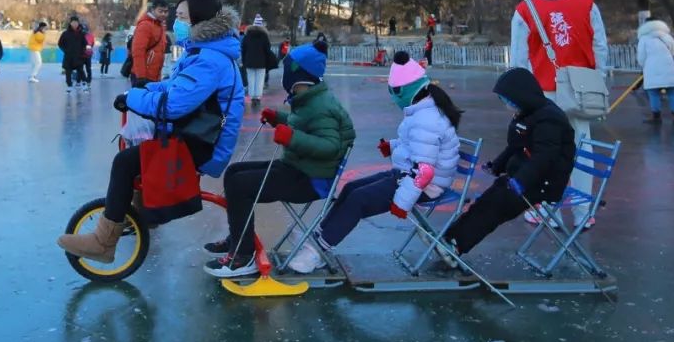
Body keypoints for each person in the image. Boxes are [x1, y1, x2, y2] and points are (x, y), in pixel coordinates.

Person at [57, 0, 244, 263]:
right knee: (137, 155)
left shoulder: (209, 60)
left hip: (204, 143)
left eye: (181, 17)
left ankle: (103, 242)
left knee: (125, 162)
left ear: (199, 21)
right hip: (195, 134)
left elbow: (174, 104)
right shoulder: (203, 53)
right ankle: (144, 213)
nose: (175, 22)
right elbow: (174, 86)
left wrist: (134, 98)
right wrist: (146, 88)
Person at [286, 51, 460, 274]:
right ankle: (320, 234)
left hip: (425, 186)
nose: (393, 97)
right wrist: (393, 146)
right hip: (409, 175)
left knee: (359, 199)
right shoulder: (422, 110)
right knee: (351, 188)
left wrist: (402, 203)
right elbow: (416, 146)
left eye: (394, 91)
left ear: (406, 89)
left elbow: (423, 171)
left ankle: (318, 250)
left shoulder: (427, 118)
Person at [201, 41, 354, 277]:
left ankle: (243, 255)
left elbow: (330, 146)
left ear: (297, 76)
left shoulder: (321, 106)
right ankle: (238, 237)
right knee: (234, 172)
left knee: (240, 186)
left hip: (311, 179)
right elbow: (303, 125)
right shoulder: (310, 98)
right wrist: (279, 119)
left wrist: (292, 137)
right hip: (298, 167)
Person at [436, 68, 575, 266]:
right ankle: (450, 238)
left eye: (509, 100)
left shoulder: (548, 119)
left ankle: (456, 244)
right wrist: (497, 165)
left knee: (497, 206)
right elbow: (516, 146)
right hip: (523, 178)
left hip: (545, 182)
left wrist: (521, 181)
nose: (508, 106)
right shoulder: (528, 112)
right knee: (487, 201)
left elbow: (544, 158)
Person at [509, 0, 608, 230]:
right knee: (582, 149)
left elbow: (519, 60)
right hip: (580, 90)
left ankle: (547, 211)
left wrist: (521, 100)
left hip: (543, 94)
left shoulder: (525, 9)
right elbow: (600, 46)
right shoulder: (586, 2)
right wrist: (596, 81)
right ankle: (583, 213)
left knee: (545, 152)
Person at [637, 17, 674, 125]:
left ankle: (656, 116)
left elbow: (641, 57)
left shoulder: (644, 39)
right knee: (672, 92)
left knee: (653, 93)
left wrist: (644, 65)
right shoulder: (666, 36)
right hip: (668, 67)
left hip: (652, 69)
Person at [131, 0, 169, 87]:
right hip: (143, 76)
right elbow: (138, 51)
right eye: (160, 11)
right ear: (152, 10)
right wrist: (141, 76)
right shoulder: (145, 25)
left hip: (155, 76)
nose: (163, 14)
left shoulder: (160, 26)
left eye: (166, 11)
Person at [240, 14, 275, 107]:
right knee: (260, 80)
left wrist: (244, 61)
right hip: (261, 62)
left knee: (251, 79)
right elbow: (267, 50)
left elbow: (243, 49)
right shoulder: (264, 36)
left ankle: (252, 97)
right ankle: (258, 97)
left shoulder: (247, 36)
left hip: (249, 61)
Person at [58, 17, 89, 93]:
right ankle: (69, 86)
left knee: (81, 71)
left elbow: (85, 44)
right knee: (68, 71)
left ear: (78, 23)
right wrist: (66, 50)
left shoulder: (81, 33)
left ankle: (84, 84)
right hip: (68, 56)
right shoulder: (65, 33)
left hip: (78, 56)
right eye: (73, 22)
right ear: (70, 23)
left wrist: (83, 51)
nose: (75, 24)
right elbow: (60, 43)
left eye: (76, 22)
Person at [83, 24, 95, 89]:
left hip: (84, 54)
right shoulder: (91, 36)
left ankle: (85, 81)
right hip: (88, 54)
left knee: (82, 68)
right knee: (88, 68)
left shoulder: (81, 35)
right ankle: (88, 81)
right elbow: (92, 44)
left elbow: (92, 44)